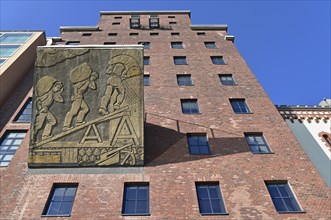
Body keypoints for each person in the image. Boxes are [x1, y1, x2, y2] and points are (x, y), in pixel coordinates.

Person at [63, 63, 98, 131]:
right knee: (73, 112)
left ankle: (79, 121)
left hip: (80, 98)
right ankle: (66, 126)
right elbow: (76, 86)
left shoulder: (88, 82)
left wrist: (92, 81)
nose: (94, 78)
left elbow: (94, 87)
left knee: (86, 109)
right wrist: (76, 95)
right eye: (93, 77)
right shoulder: (84, 81)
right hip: (77, 98)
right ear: (91, 75)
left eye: (95, 78)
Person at [34, 76, 64, 140]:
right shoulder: (47, 93)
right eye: (57, 87)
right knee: (38, 126)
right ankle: (32, 138)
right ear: (54, 86)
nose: (58, 89)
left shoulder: (53, 94)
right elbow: (38, 100)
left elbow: (60, 100)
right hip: (42, 111)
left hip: (46, 110)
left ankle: (45, 136)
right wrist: (40, 109)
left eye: (59, 88)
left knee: (53, 121)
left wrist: (59, 93)